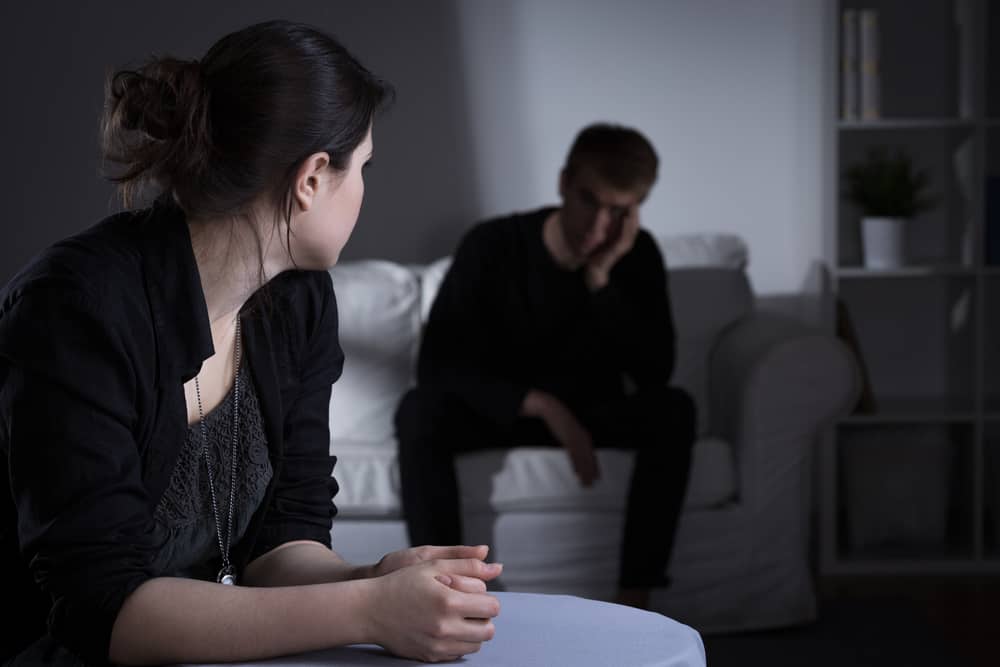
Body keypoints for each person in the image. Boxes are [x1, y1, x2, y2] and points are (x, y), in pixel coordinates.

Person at [0, 20, 501, 667]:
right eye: (362, 167)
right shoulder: (75, 306)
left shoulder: (300, 302)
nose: (364, 191)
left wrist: (375, 579)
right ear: (313, 177)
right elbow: (102, 608)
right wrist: (370, 608)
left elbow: (283, 540)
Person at [395, 123, 696, 611]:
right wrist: (542, 405)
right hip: (505, 414)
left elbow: (655, 373)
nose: (600, 228)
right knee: (418, 411)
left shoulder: (636, 255)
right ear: (562, 183)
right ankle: (445, 590)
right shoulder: (492, 244)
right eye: (589, 202)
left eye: (619, 212)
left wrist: (601, 279)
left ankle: (636, 592)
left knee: (674, 410)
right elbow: (438, 366)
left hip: (595, 414)